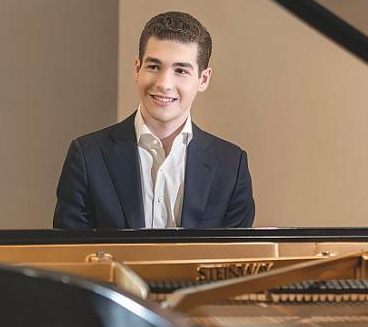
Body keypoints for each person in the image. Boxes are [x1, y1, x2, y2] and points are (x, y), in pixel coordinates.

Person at [53, 12, 255, 229]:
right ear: (137, 69)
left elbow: (236, 250)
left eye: (180, 70)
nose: (164, 84)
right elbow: (71, 248)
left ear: (203, 79)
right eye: (154, 67)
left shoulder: (231, 166)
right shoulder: (87, 156)